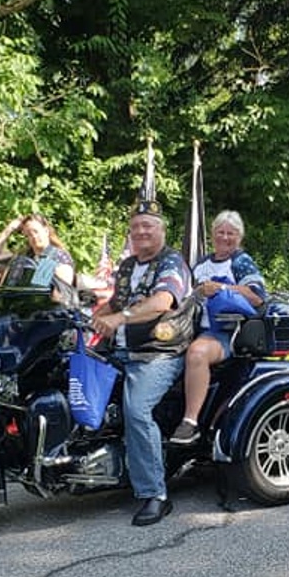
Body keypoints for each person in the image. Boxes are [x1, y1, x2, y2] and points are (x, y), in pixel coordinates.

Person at [90, 200, 188, 526]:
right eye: (135, 227)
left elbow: (162, 301)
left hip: (157, 353)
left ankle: (155, 494)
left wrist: (120, 317)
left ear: (161, 230)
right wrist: (84, 317)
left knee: (137, 410)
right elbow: (114, 304)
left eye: (148, 225)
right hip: (119, 350)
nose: (141, 231)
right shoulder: (129, 265)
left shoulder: (172, 262)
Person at [169, 211, 267, 445]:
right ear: (212, 234)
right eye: (220, 232)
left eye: (230, 233)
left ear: (239, 237)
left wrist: (222, 289)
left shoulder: (241, 261)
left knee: (197, 353)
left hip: (225, 332)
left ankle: (190, 423)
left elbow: (257, 297)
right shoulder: (202, 263)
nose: (225, 237)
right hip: (191, 327)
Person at [0, 213, 76, 288]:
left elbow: (62, 294)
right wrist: (9, 229)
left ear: (46, 231)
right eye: (29, 234)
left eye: (36, 231)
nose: (34, 237)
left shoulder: (59, 257)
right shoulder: (22, 256)